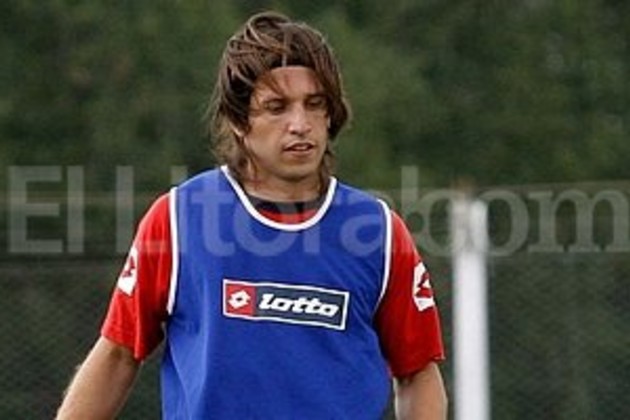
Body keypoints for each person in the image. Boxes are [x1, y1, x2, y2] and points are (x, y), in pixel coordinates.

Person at [56, 11, 447, 419]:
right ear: (239, 120)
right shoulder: (179, 219)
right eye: (277, 107)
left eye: (314, 104)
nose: (300, 124)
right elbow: (118, 354)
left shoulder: (377, 232)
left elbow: (417, 373)